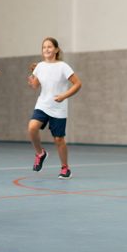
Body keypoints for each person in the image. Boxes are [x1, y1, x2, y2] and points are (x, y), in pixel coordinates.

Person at [28, 37, 81, 179]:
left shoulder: (63, 66)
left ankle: (65, 168)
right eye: (44, 47)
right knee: (32, 127)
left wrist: (64, 96)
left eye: (49, 46)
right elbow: (35, 86)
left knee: (58, 139)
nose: (46, 49)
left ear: (56, 49)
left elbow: (77, 84)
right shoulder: (40, 66)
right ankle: (40, 153)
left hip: (58, 108)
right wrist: (32, 80)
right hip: (43, 104)